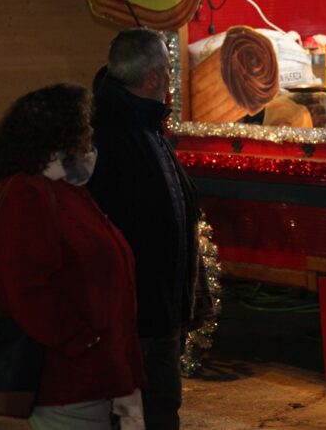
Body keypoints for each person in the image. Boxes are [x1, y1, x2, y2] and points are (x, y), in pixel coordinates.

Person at [0, 83, 145, 430]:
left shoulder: (67, 188)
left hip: (101, 373)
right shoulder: (28, 194)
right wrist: (84, 342)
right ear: (59, 134)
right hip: (69, 382)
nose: (90, 138)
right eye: (84, 128)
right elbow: (27, 291)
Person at [88, 28, 210, 430]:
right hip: (139, 319)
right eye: (168, 69)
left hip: (157, 311)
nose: (170, 78)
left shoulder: (143, 126)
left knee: (158, 408)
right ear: (155, 77)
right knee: (150, 413)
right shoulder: (113, 135)